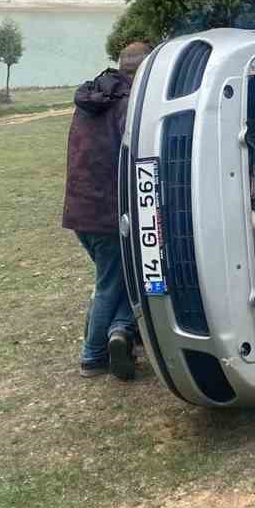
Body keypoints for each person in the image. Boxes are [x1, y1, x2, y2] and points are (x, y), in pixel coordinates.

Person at [62, 40, 151, 379]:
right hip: (109, 214)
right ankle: (93, 355)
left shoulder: (90, 100)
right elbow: (138, 152)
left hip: (79, 210)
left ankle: (120, 332)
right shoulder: (127, 105)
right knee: (116, 284)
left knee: (119, 278)